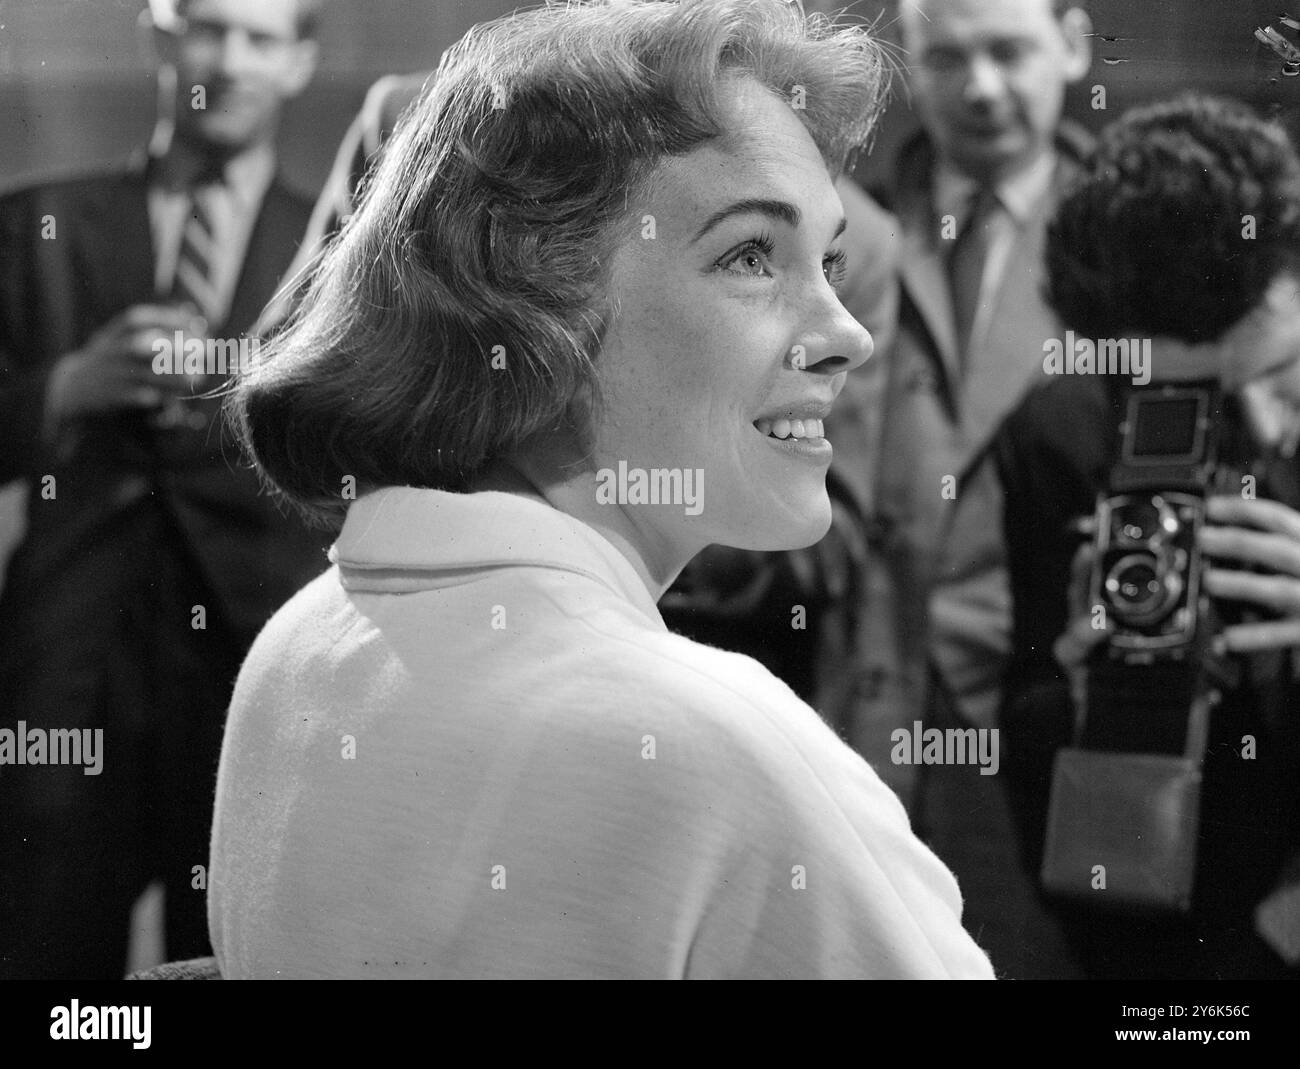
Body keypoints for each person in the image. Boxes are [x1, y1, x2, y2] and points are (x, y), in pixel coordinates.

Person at [208, 0, 995, 979]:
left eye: (827, 262)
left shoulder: (297, 649)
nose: (846, 332)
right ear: (536, 303)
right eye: (752, 255)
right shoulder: (719, 746)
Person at [0, 0, 325, 979]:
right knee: (44, 964)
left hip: (251, 670)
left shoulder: (338, 247)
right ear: (159, 36)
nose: (227, 61)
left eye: (260, 38)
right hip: (64, 668)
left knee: (234, 951)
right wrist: (67, 385)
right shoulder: (34, 225)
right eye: (208, 28)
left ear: (300, 62)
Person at [997, 93, 1300, 979]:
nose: (1258, 429)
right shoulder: (1062, 432)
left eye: (1280, 375)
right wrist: (1094, 692)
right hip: (1152, 937)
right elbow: (1026, 726)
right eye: (1177, 403)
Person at [826, 0, 1094, 976]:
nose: (980, 88)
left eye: (1009, 52)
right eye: (947, 58)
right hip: (849, 712)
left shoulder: (1134, 243)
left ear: (1071, 43)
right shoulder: (842, 235)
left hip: (1040, 728)